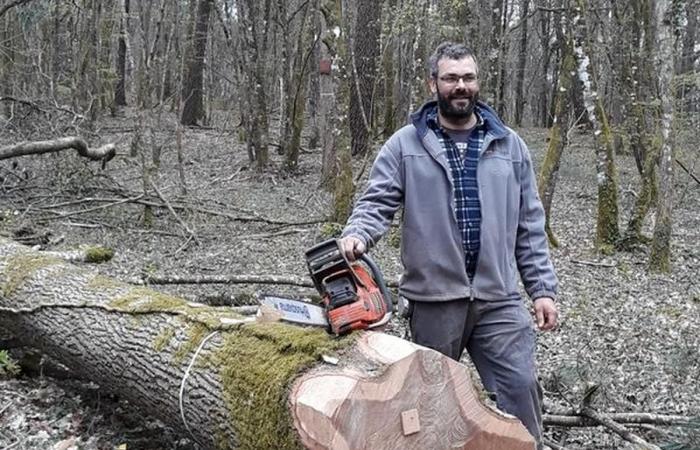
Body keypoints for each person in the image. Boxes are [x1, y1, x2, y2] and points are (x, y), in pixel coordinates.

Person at [339, 41, 558, 448]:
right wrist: (358, 235)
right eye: (451, 78)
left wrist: (542, 289)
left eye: (468, 77)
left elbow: (530, 225)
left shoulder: (510, 146)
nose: (461, 86)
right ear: (433, 83)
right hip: (434, 300)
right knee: (426, 405)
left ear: (478, 83)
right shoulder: (404, 145)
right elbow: (376, 202)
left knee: (520, 387)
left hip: (499, 299)